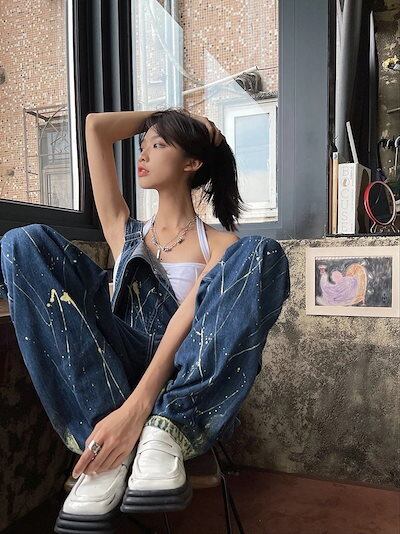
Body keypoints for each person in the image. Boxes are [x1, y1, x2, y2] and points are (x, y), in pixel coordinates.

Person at [0, 107, 290, 533]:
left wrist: (140, 408)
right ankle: (105, 446)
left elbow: (188, 326)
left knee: (261, 251)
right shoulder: (124, 230)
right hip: (115, 375)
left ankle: (166, 430)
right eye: (142, 144)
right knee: (22, 241)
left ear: (192, 162)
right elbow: (96, 128)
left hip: (183, 377)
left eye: (158, 145)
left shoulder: (221, 245)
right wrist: (165, 117)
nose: (143, 154)